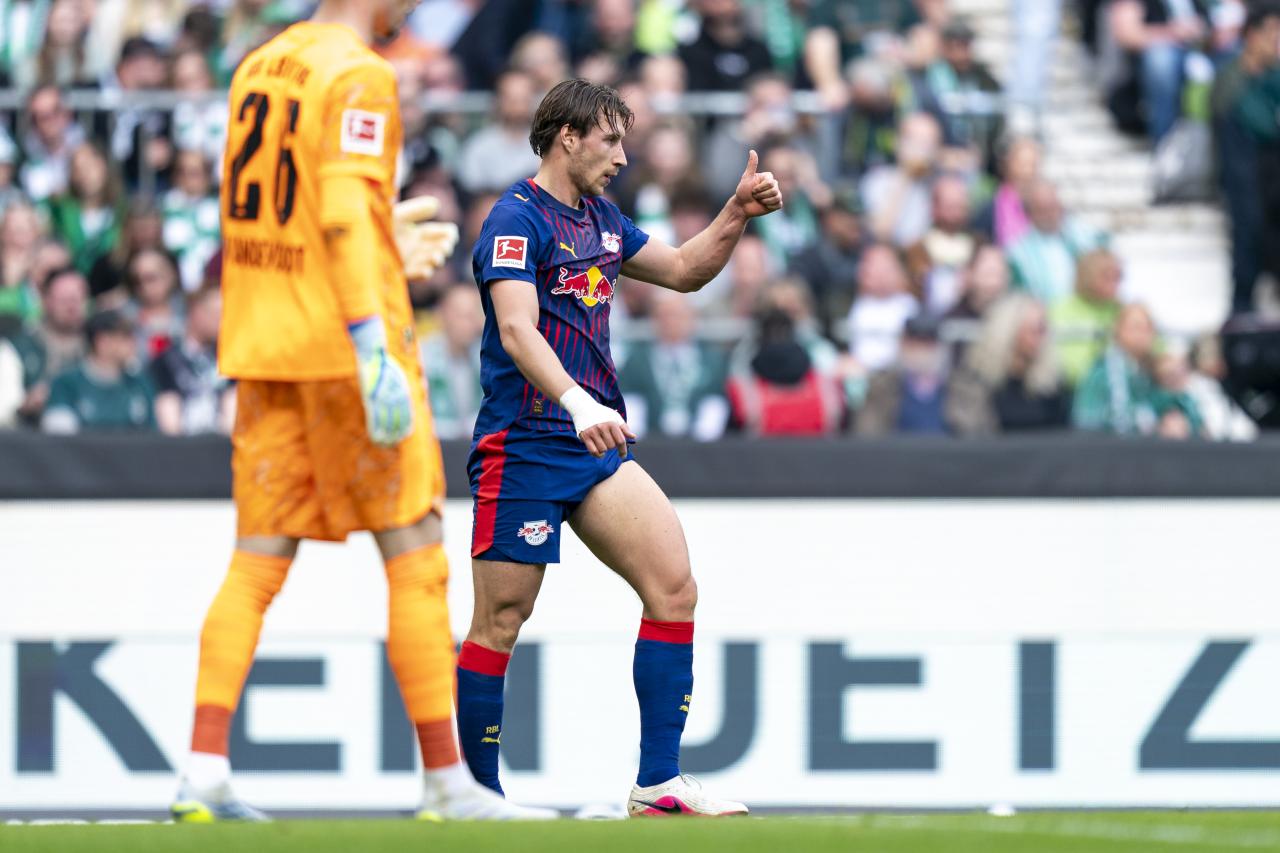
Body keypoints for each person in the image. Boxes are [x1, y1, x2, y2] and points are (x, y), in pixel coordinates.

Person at [172, 0, 552, 824]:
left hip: (266, 345)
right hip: (347, 353)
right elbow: (341, 214)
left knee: (255, 564)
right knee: (415, 556)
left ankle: (202, 770)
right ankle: (449, 782)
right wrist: (371, 338)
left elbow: (291, 213)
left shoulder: (259, 66)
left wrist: (380, 242)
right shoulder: (360, 73)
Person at [460, 77, 781, 816]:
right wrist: (578, 403)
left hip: (593, 442)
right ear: (567, 137)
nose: (622, 157)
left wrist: (736, 212)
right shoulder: (515, 218)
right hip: (526, 443)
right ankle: (477, 797)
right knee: (501, 622)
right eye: (610, 140)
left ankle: (658, 782)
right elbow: (516, 329)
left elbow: (685, 271)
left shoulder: (602, 220)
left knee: (674, 587)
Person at [947, 293, 1071, 435]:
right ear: (1009, 332)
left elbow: (1062, 432)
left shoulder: (1052, 385)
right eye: (1036, 330)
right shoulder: (971, 383)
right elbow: (967, 432)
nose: (1042, 338)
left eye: (1044, 330)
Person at [1072, 302, 1201, 436]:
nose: (1142, 335)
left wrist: (1179, 420)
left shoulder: (1155, 371)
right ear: (1118, 330)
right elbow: (1088, 420)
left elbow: (1182, 405)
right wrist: (1153, 421)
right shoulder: (1102, 372)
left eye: (1147, 329)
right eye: (1135, 327)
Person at [620, 290, 729, 441]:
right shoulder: (637, 360)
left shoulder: (711, 360)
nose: (671, 322)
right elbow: (631, 400)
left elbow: (716, 401)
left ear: (692, 318)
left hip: (699, 443)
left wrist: (704, 436)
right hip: (651, 440)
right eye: (664, 316)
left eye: (678, 315)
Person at [41, 308, 155, 433]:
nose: (133, 343)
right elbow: (59, 439)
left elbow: (153, 433)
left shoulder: (140, 383)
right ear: (102, 342)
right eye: (125, 336)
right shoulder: (67, 384)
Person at [9, 265, 88, 424]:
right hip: (31, 431)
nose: (72, 307)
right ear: (46, 301)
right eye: (64, 300)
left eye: (77, 299)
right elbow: (6, 407)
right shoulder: (20, 344)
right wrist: (26, 403)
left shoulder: (100, 343)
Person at [150, 285, 234, 435]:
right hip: (181, 443)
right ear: (196, 312)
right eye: (216, 313)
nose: (222, 321)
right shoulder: (165, 360)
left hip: (222, 442)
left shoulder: (230, 359)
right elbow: (167, 415)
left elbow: (232, 405)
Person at [1049, 248, 1123, 387]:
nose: (1114, 283)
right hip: (1065, 389)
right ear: (1087, 276)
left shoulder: (1122, 311)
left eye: (1118, 277)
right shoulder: (1058, 310)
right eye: (1106, 276)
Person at [420, 281, 484, 440]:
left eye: (473, 315)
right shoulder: (422, 358)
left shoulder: (484, 358)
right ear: (441, 314)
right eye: (461, 315)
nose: (467, 323)